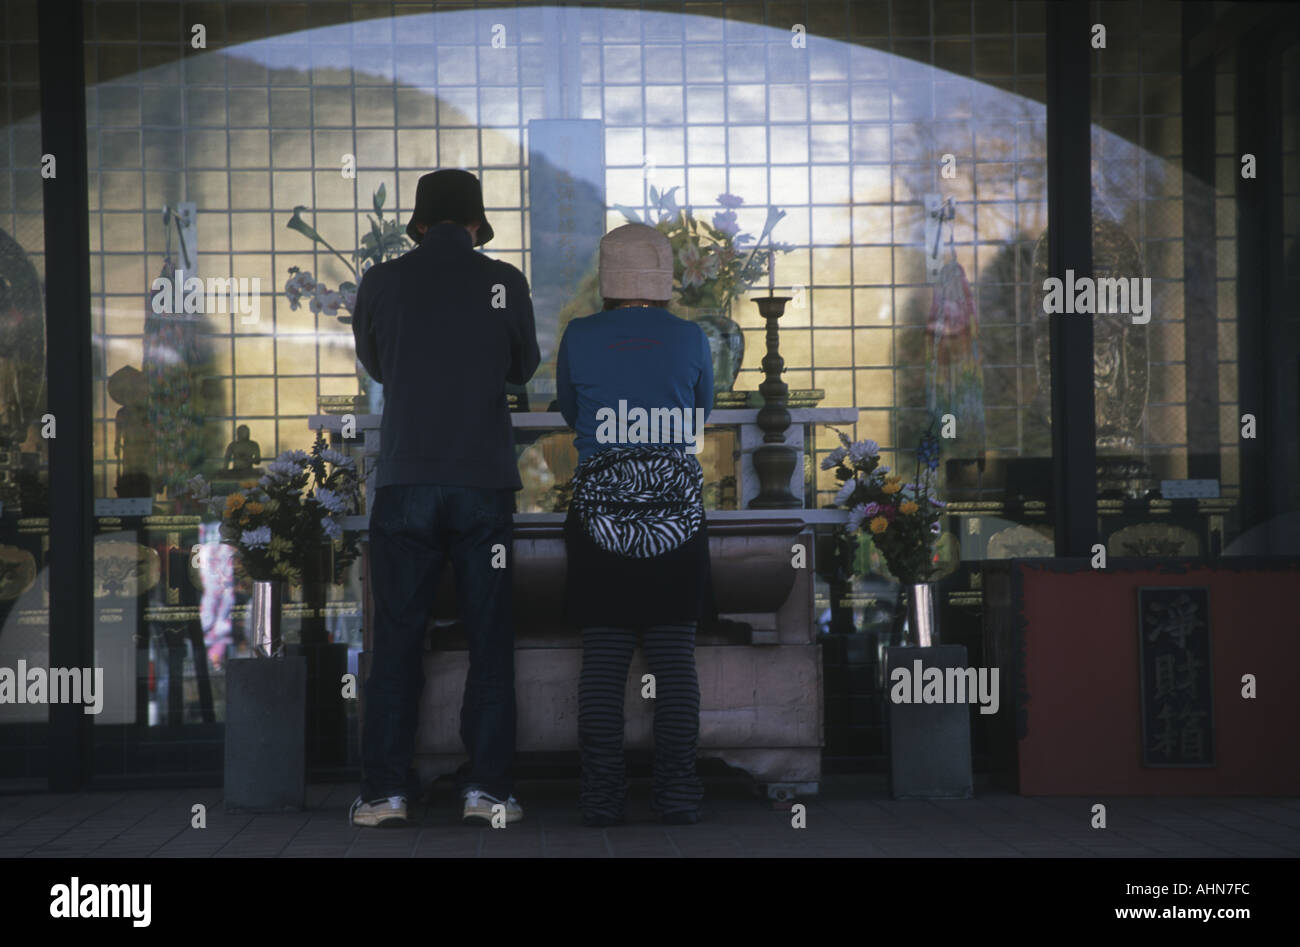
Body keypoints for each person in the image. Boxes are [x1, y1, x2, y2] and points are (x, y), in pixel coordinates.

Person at [349, 169, 539, 827]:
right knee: (489, 638)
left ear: (420, 224)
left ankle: (385, 792)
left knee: (397, 637)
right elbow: (523, 366)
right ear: (477, 225)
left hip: (404, 481)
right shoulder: (502, 282)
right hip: (483, 482)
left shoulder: (382, 282)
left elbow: (377, 362)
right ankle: (485, 789)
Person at [556, 223, 714, 826]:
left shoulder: (581, 335)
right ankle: (677, 795)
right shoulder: (690, 337)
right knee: (675, 664)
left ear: (607, 281)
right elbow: (701, 413)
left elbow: (572, 412)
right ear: (664, 279)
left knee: (602, 661)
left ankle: (601, 799)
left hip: (599, 514)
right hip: (676, 512)